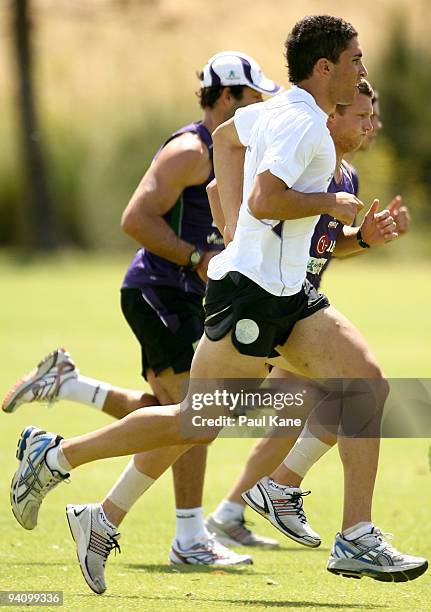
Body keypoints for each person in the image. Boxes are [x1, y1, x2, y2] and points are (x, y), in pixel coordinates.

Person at [6, 15, 428, 594]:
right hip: (253, 297)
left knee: (364, 383)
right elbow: (268, 196)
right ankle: (59, 460)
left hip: (284, 295)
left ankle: (348, 529)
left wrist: (233, 231)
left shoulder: (279, 110)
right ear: (325, 67)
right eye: (355, 59)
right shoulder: (302, 122)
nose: (362, 69)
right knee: (194, 421)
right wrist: (328, 202)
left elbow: (226, 142)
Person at [3, 51, 282, 567]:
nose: (260, 105)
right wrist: (197, 256)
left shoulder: (230, 150)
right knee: (194, 418)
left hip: (187, 297)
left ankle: (69, 385)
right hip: (158, 292)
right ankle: (188, 538)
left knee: (167, 417)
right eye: (253, 96)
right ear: (227, 98)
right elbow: (135, 218)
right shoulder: (189, 151)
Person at [205, 79, 412, 547]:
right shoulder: (303, 147)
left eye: (373, 116)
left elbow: (324, 248)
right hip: (263, 302)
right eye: (362, 115)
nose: (371, 125)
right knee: (194, 420)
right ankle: (260, 501)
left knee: (302, 406)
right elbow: (221, 185)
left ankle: (241, 506)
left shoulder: (347, 176)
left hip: (295, 310)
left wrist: (362, 239)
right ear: (332, 116)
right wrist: (235, 235)